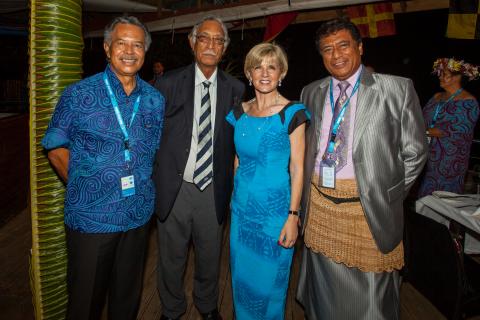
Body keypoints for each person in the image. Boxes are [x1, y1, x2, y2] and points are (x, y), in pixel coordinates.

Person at [296, 18, 428, 320]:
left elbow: (416, 152)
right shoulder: (311, 92)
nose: (336, 55)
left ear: (360, 47)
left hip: (367, 213)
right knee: (323, 293)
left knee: (371, 301)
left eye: (343, 45)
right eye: (327, 49)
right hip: (320, 209)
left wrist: (385, 192)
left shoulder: (396, 89)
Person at [41, 16, 164, 320]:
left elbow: (154, 150)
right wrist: (84, 186)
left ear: (145, 52)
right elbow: (55, 145)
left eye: (137, 44)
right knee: (85, 303)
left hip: (137, 215)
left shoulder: (154, 99)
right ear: (108, 48)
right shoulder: (79, 94)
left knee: (126, 299)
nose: (129, 51)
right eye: (121, 42)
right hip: (91, 219)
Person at [152, 15, 245, 320]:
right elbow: (151, 135)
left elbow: (237, 140)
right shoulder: (166, 83)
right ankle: (171, 308)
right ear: (192, 43)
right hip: (175, 188)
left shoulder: (235, 88)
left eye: (218, 40)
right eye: (204, 38)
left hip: (213, 186)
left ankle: (207, 306)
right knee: (171, 257)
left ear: (225, 49)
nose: (211, 45)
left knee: (209, 255)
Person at [226, 43, 309, 319]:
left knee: (271, 287)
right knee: (242, 282)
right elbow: (237, 160)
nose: (264, 73)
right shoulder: (239, 112)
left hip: (275, 214)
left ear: (281, 73)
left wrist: (293, 217)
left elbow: (298, 168)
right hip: (241, 213)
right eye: (258, 67)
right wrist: (232, 202)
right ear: (248, 73)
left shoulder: (292, 112)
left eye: (271, 67)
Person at [418, 57, 479, 197]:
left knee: (442, 199)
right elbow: (421, 119)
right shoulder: (436, 96)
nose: (440, 77)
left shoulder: (468, 102)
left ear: (457, 78)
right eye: (440, 73)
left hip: (450, 159)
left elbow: (456, 131)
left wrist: (421, 131)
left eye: (444, 74)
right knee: (424, 198)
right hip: (427, 155)